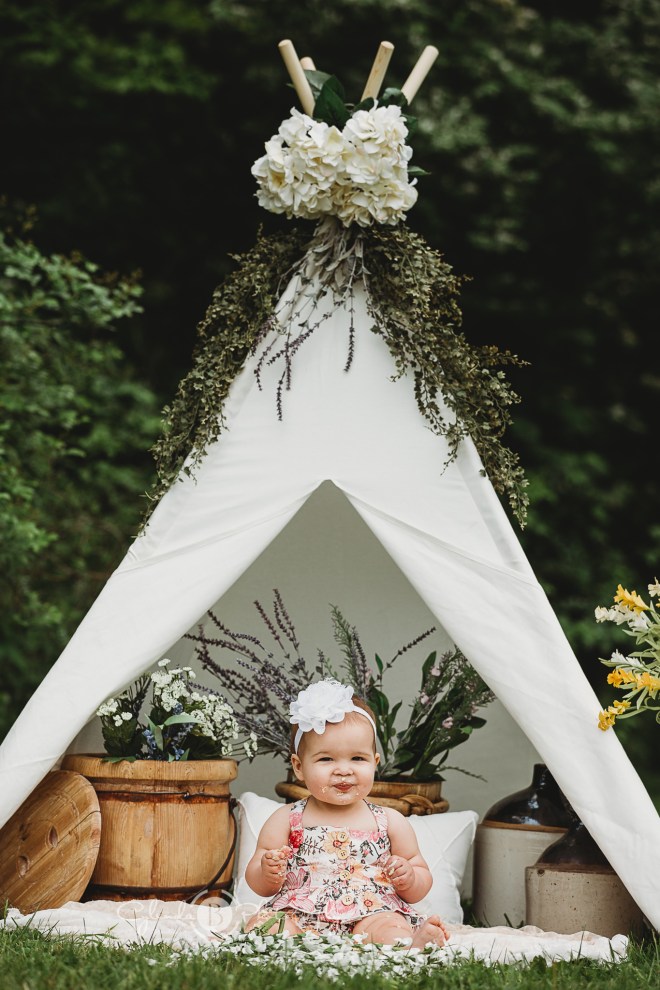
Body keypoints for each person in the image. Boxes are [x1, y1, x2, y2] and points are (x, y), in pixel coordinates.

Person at [244, 679, 449, 947]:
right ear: (299, 767)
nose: (344, 770)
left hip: (372, 911)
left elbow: (420, 879)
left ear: (374, 763)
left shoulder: (389, 821)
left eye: (358, 758)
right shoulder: (286, 818)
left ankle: (408, 944)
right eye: (326, 759)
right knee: (266, 924)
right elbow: (258, 883)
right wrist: (268, 871)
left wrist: (409, 877)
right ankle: (291, 946)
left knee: (388, 927)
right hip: (300, 911)